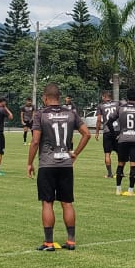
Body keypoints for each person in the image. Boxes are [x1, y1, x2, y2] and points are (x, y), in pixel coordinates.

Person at [27, 84, 90, 251]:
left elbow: (34, 141)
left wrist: (29, 163)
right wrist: (75, 153)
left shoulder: (40, 114)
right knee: (67, 202)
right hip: (65, 163)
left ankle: (48, 242)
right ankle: (71, 241)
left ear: (45, 97)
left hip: (47, 164)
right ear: (59, 97)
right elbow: (87, 134)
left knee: (47, 202)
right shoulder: (71, 113)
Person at [113, 88, 135, 196]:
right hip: (134, 139)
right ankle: (130, 190)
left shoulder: (120, 108)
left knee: (121, 164)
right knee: (133, 164)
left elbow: (109, 121)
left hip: (123, 139)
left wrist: (116, 135)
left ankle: (118, 189)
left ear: (127, 96)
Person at [96, 91, 119, 178]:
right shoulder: (117, 104)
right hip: (117, 130)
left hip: (107, 131)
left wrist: (97, 132)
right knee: (119, 153)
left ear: (104, 97)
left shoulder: (101, 106)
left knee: (107, 153)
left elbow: (98, 120)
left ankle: (109, 174)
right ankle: (120, 172)